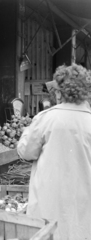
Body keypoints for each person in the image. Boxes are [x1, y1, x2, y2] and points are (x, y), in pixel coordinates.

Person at [17, 63, 91, 240]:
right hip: (83, 206)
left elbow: (25, 152)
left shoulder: (46, 119)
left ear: (59, 92)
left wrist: (27, 131)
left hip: (48, 205)